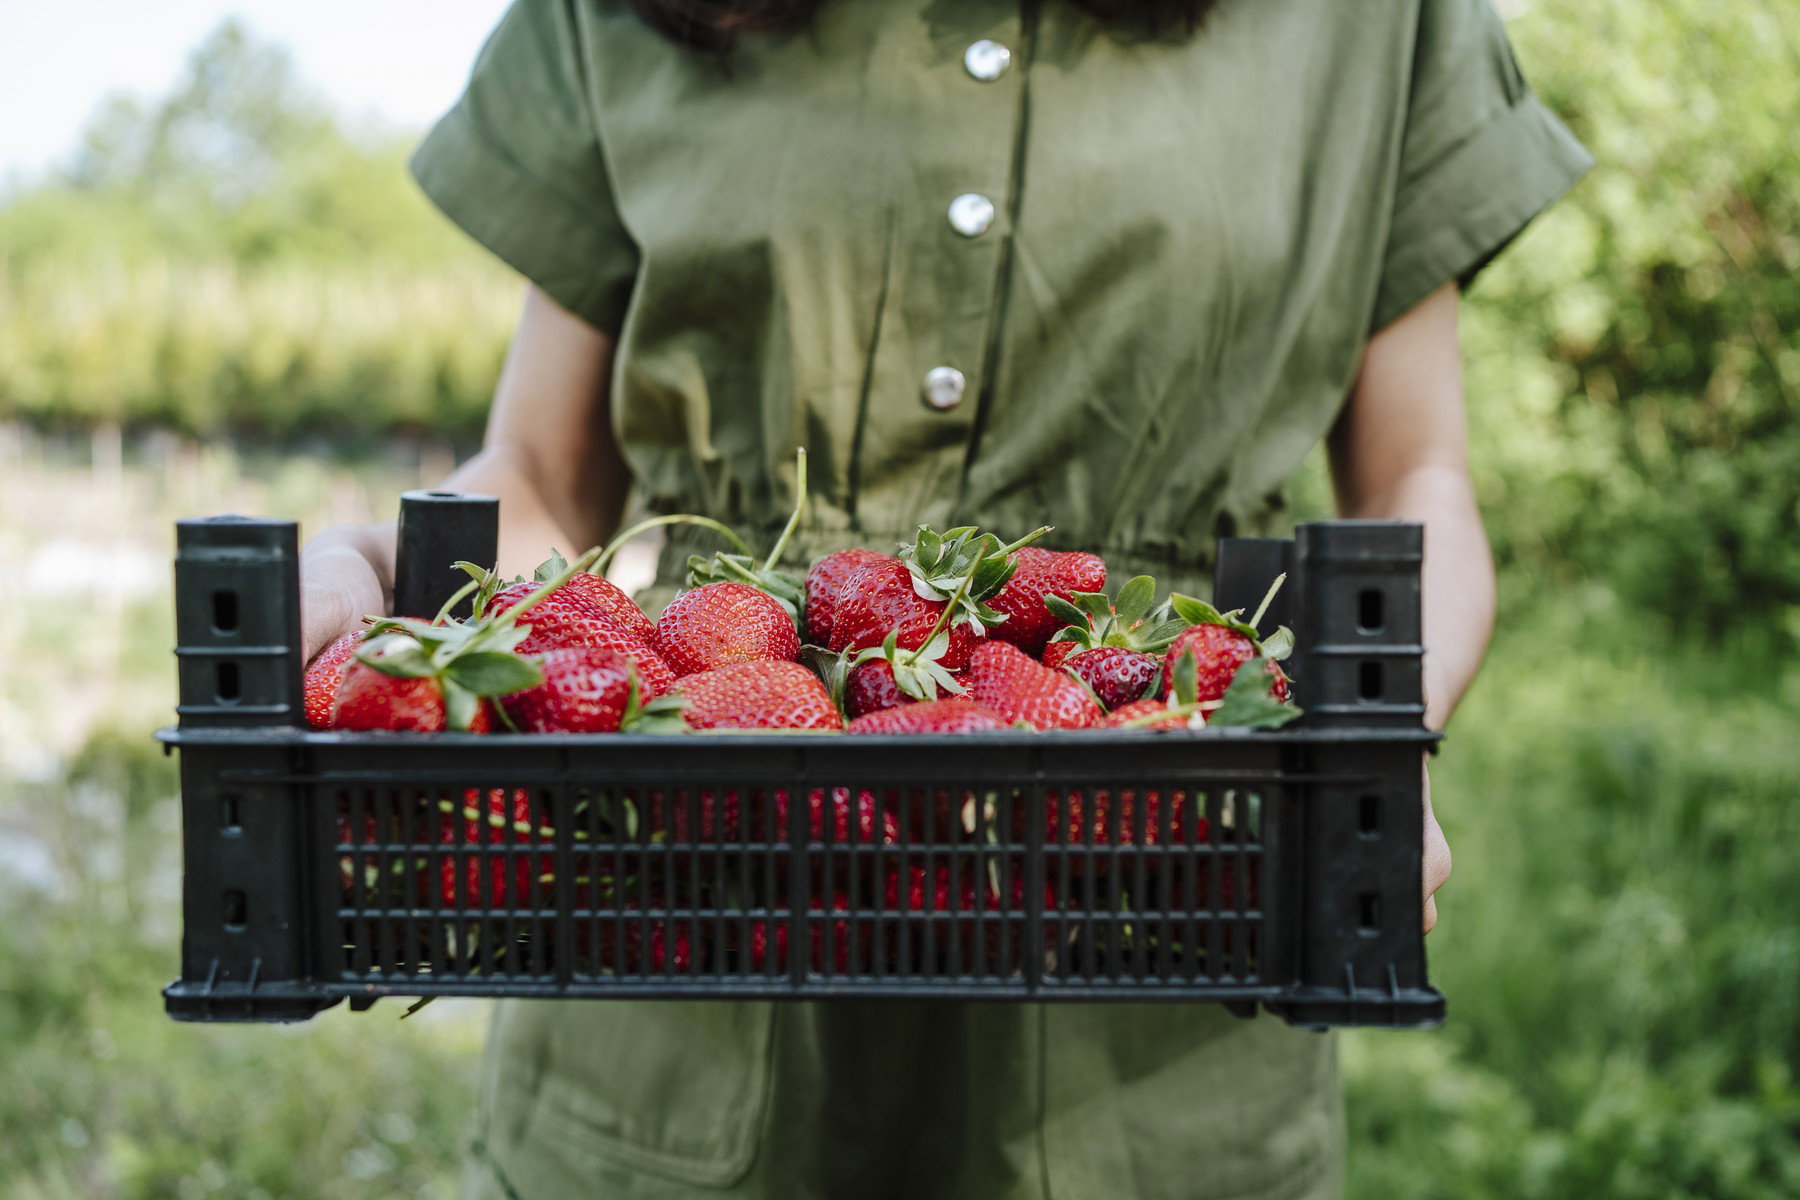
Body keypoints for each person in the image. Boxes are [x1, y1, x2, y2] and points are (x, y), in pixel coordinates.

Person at [298, 0, 1590, 1195]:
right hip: (677, 935)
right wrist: (423, 619)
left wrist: (1373, 719)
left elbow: (1419, 470)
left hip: (1171, 938)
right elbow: (538, 468)